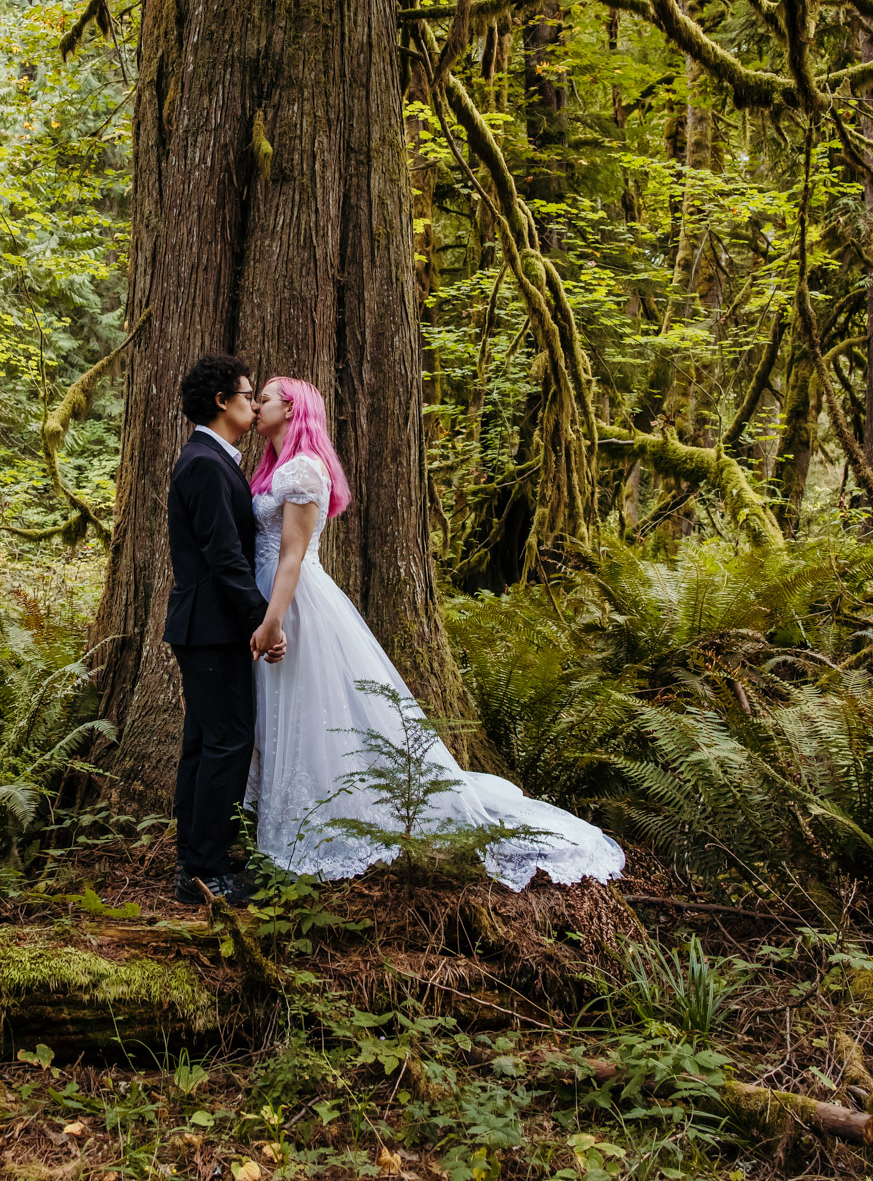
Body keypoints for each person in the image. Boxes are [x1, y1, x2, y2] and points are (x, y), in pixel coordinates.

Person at [241, 376, 625, 891]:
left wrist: (273, 619)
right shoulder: (272, 469)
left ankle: (320, 821)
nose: (256, 405)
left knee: (307, 708)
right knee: (282, 710)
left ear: (291, 409)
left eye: (264, 398)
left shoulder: (303, 470)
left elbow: (291, 555)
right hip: (271, 596)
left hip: (295, 605)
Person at [162, 353, 274, 907]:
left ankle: (194, 863)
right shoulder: (205, 463)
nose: (255, 405)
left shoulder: (214, 458)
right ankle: (206, 870)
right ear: (221, 401)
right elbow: (224, 556)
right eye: (248, 395)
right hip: (211, 628)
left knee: (205, 745)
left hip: (205, 627)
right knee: (226, 743)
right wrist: (262, 620)